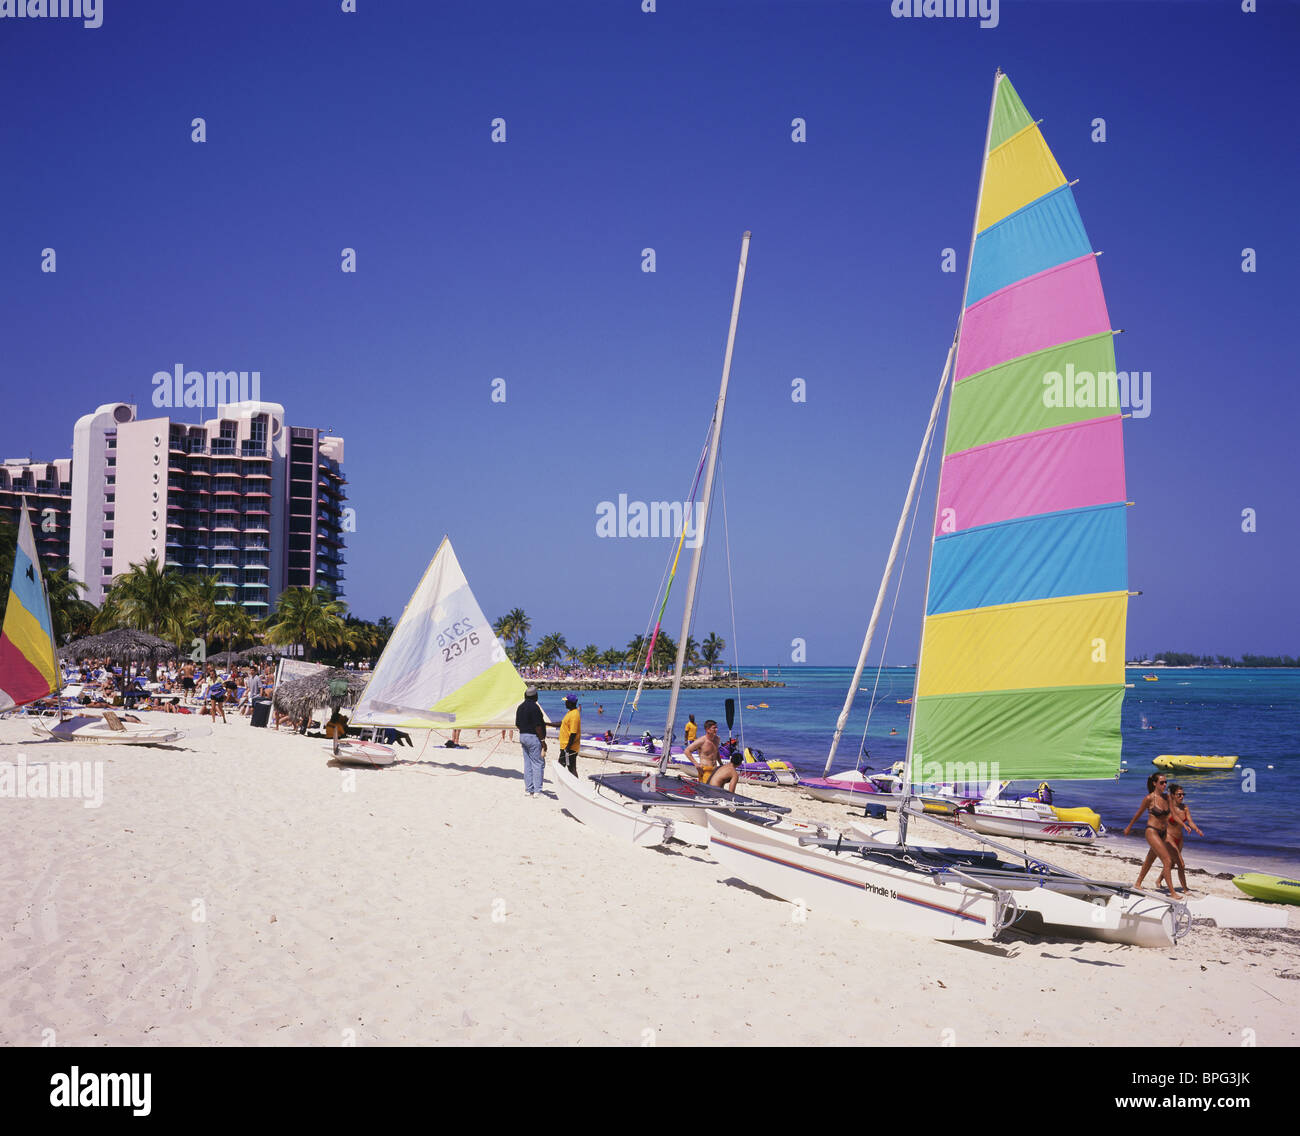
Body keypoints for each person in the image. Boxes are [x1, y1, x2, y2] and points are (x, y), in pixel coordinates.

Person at [1123, 772, 1182, 898]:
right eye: (1162, 782)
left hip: (1163, 833)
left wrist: (1186, 825)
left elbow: (1174, 815)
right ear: (1155, 783)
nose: (1164, 785)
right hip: (1152, 831)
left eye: (1166, 782)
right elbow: (1138, 813)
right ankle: (1172, 892)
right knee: (1167, 860)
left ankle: (1138, 883)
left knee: (1150, 859)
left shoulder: (1168, 798)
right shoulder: (1149, 798)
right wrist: (1129, 827)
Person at [1166, 783, 1203, 893]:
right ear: (1172, 795)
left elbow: (1190, 821)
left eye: (1183, 794)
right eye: (1179, 794)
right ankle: (1185, 888)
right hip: (1169, 838)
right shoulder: (1168, 807)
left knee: (1172, 863)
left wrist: (1196, 829)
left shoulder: (1185, 807)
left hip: (1179, 839)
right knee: (1181, 864)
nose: (1182, 796)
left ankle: (1159, 880)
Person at [685, 719, 738, 792]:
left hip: (715, 768)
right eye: (714, 728)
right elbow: (687, 751)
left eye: (716, 727)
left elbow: (716, 752)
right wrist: (696, 764)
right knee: (707, 791)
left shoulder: (717, 739)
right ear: (707, 729)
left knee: (718, 790)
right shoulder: (701, 741)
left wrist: (720, 763)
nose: (716, 729)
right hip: (705, 769)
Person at [515, 686, 548, 797]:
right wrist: (543, 741)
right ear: (535, 696)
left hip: (523, 736)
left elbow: (518, 724)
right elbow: (538, 726)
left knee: (527, 763)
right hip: (533, 737)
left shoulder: (520, 707)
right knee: (538, 763)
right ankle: (537, 791)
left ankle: (529, 789)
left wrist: (525, 731)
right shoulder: (535, 708)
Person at [557, 694, 581, 776]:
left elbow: (573, 733)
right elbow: (562, 723)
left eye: (566, 701)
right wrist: (546, 723)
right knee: (566, 767)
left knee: (570, 768)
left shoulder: (574, 715)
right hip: (565, 746)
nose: (565, 703)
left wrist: (568, 747)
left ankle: (576, 786)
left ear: (570, 703)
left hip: (570, 747)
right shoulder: (570, 712)